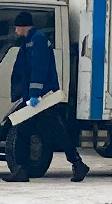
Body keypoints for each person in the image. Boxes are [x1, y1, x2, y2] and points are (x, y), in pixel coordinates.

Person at [8, 10, 89, 182]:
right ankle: (77, 163)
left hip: (42, 98)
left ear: (23, 26)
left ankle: (21, 170)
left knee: (24, 131)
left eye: (16, 27)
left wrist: (35, 95)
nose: (15, 31)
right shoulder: (32, 40)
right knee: (53, 130)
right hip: (40, 96)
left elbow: (38, 69)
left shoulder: (36, 40)